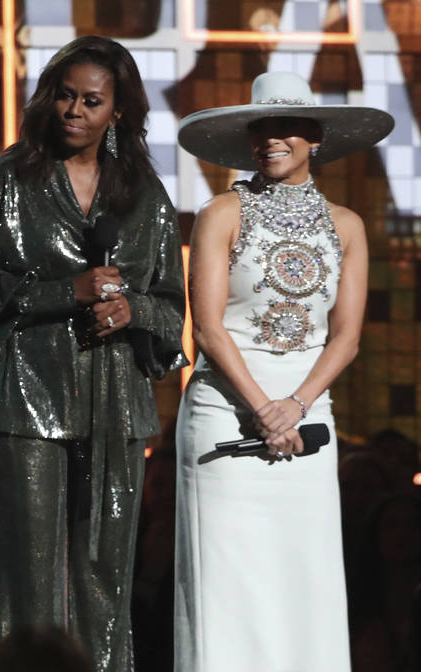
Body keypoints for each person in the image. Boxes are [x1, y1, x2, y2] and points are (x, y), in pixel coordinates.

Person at [0, 35, 186, 670]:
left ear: (118, 111)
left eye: (91, 100)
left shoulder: (145, 198)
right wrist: (64, 292)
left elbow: (172, 315)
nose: (74, 110)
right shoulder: (1, 185)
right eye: (64, 95)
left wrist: (132, 309)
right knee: (27, 579)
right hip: (21, 402)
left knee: (104, 576)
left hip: (116, 406)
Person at [174, 71, 394, 672]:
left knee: (305, 582)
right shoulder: (222, 212)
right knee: (227, 587)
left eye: (285, 126)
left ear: (314, 137)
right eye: (261, 127)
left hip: (308, 419)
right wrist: (263, 409)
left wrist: (293, 406)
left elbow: (346, 338)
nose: (270, 138)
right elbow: (210, 329)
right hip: (225, 412)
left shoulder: (346, 226)